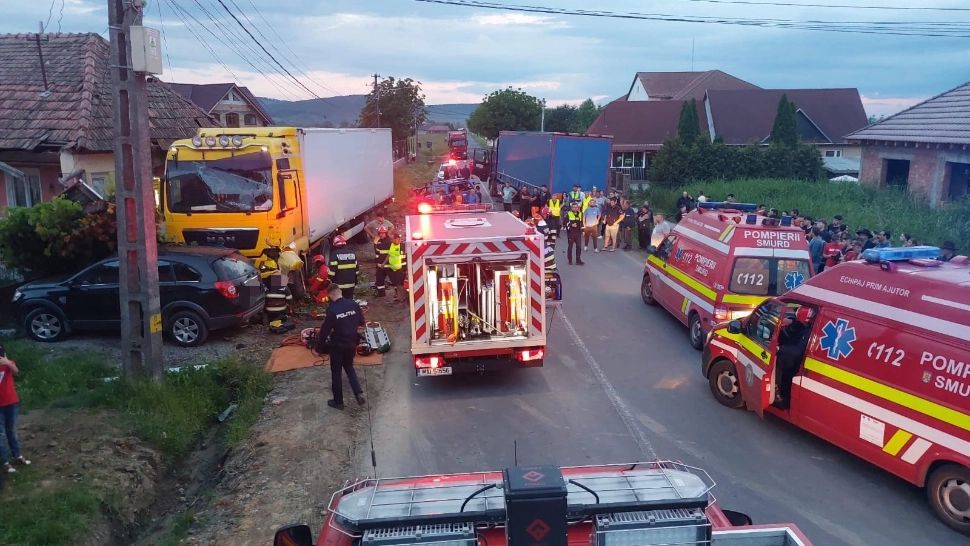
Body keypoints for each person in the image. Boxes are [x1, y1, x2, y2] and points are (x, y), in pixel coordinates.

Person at [315, 285, 366, 410]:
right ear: (340, 292)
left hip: (338, 345)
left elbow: (325, 331)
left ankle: (338, 402)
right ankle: (358, 392)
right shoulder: (353, 304)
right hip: (351, 342)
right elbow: (361, 322)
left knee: (336, 371)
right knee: (349, 367)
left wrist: (319, 347)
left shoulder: (332, 310)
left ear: (331, 295)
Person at [775, 306, 814, 408]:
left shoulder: (809, 333)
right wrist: (791, 322)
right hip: (794, 355)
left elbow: (798, 350)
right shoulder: (807, 327)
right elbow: (798, 325)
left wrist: (779, 348)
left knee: (779, 366)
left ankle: (780, 396)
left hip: (795, 361)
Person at [0, 345, 29, 474]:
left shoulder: (8, 364)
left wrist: (7, 362)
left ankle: (18, 455)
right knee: (0, 434)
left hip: (11, 402)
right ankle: (5, 462)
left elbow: (16, 371)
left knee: (11, 430)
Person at [328, 235, 358, 299]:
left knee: (339, 302)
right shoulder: (352, 253)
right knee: (349, 301)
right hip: (351, 284)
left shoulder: (334, 254)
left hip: (339, 286)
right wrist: (355, 280)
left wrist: (329, 282)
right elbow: (356, 271)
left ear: (335, 245)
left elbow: (332, 272)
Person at [385, 232, 406, 302]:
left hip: (401, 268)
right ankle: (399, 297)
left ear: (398, 239)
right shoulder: (392, 245)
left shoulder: (402, 246)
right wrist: (383, 263)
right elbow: (389, 254)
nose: (391, 240)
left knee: (400, 284)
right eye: (391, 239)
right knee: (396, 284)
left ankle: (403, 297)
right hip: (393, 268)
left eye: (393, 239)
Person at [564, 201, 585, 265]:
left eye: (576, 207)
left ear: (578, 208)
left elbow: (582, 223)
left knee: (579, 247)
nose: (575, 208)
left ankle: (578, 260)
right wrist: (571, 225)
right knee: (570, 247)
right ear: (571, 208)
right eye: (573, 207)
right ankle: (570, 260)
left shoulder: (580, 214)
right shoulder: (568, 214)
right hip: (571, 233)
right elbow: (565, 222)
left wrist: (583, 231)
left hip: (578, 233)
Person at [374, 227, 392, 297]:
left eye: (383, 233)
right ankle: (381, 295)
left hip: (389, 265)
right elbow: (377, 253)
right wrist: (377, 263)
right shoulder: (379, 242)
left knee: (394, 281)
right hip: (380, 266)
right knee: (379, 281)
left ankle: (398, 295)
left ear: (386, 233)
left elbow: (390, 254)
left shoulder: (389, 242)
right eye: (380, 233)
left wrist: (384, 263)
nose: (381, 235)